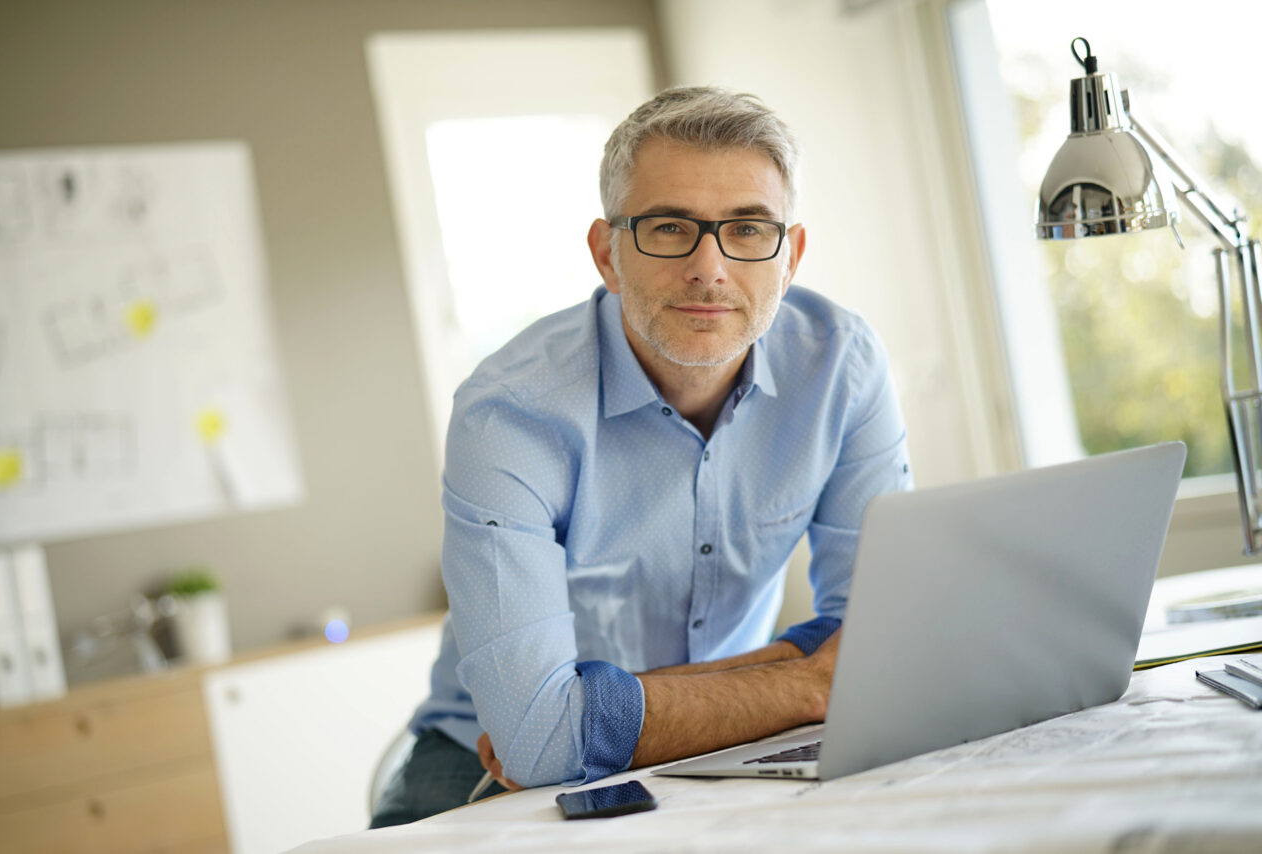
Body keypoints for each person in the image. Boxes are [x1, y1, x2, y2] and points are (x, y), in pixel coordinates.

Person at [370, 86, 912, 828]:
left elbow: (883, 638)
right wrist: (808, 682)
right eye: (668, 228)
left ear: (791, 257)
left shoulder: (842, 365)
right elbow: (533, 744)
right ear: (608, 253)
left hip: (727, 746)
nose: (710, 268)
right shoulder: (509, 413)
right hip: (476, 773)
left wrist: (594, 715)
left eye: (749, 229)